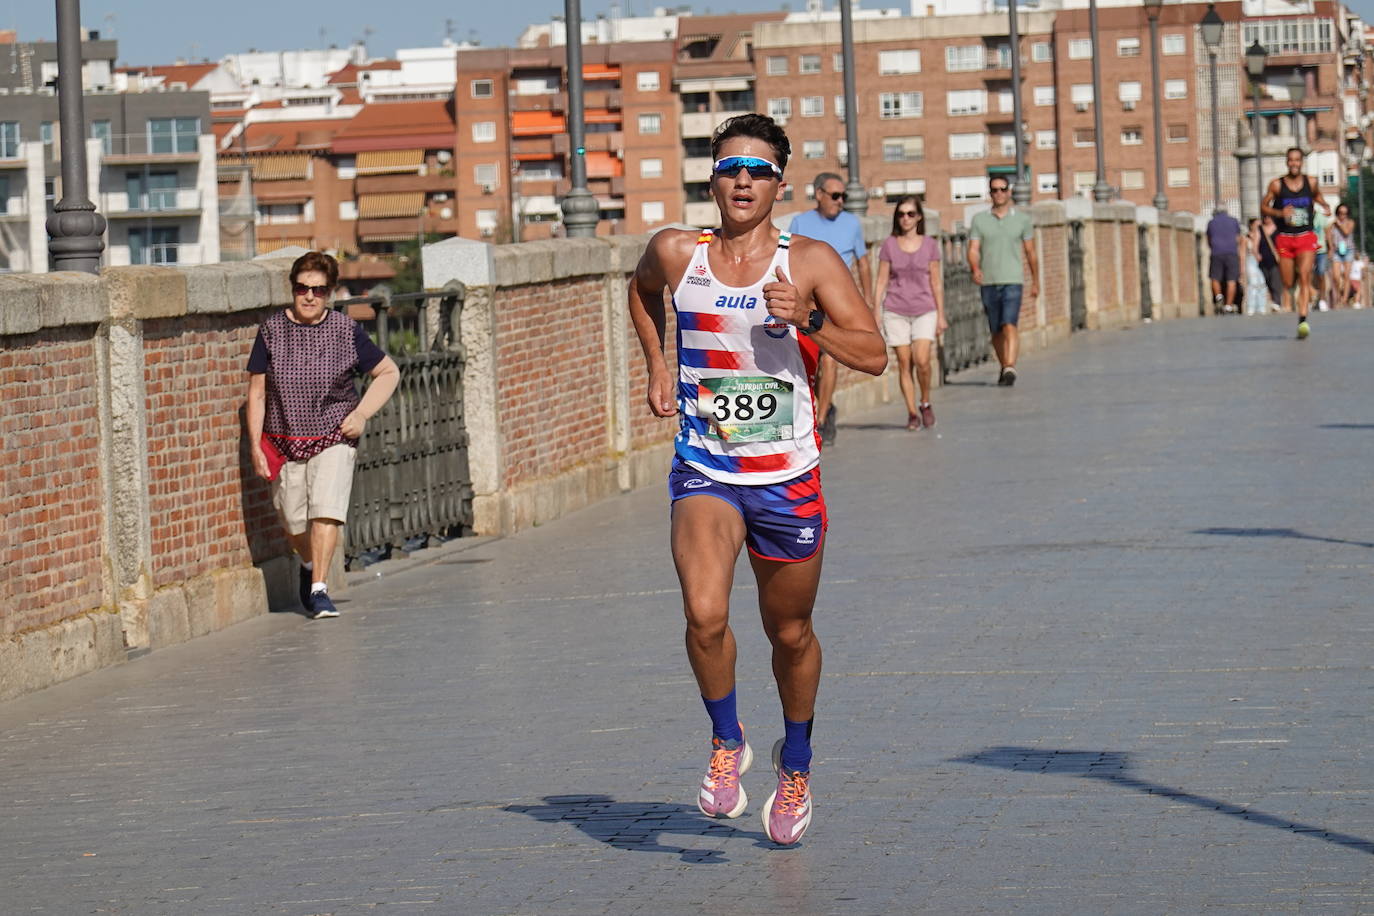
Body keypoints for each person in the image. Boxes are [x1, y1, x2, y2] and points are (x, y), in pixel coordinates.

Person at [627, 114, 886, 846]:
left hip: (787, 477)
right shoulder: (678, 252)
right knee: (705, 614)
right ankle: (725, 740)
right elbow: (640, 292)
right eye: (730, 166)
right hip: (706, 468)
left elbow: (872, 354)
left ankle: (796, 761)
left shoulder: (809, 261)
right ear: (711, 176)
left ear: (780, 183)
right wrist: (657, 365)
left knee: (790, 632)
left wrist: (807, 322)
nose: (744, 180)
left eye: (760, 170)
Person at [246, 251, 400, 619]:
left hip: (334, 434)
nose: (310, 296)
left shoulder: (346, 332)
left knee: (326, 511)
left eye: (318, 290)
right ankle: (309, 563)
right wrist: (255, 445)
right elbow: (256, 392)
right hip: (285, 441)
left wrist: (361, 414)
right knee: (292, 519)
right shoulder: (271, 331)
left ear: (329, 293)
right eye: (302, 289)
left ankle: (319, 589)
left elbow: (389, 372)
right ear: (293, 289)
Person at [788, 172, 873, 446]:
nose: (840, 201)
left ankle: (821, 419)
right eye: (836, 196)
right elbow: (789, 259)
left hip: (837, 303)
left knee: (830, 357)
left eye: (844, 196)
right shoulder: (800, 222)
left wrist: (868, 300)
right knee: (807, 361)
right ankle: (822, 405)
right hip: (808, 303)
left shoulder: (852, 223)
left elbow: (863, 262)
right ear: (820, 195)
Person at [874, 195, 945, 430]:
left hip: (925, 309)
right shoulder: (889, 245)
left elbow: (936, 282)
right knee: (904, 362)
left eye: (910, 214)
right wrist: (876, 311)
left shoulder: (930, 245)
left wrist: (941, 315)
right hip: (896, 310)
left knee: (922, 360)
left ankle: (925, 401)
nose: (905, 218)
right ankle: (912, 412)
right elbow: (881, 281)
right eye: (901, 214)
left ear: (919, 217)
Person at [968, 176, 1038, 385]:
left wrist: (1035, 281)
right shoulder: (979, 220)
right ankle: (1004, 365)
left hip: (1012, 279)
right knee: (996, 330)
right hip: (989, 281)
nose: (998, 193)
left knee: (1010, 324)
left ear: (1009, 192)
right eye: (994, 190)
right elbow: (973, 249)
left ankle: (1010, 366)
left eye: (1002, 189)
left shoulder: (1022, 220)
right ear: (990, 193)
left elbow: (1031, 252)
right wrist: (975, 268)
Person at [1262, 147, 1332, 338]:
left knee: (1304, 275)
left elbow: (1317, 196)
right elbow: (1264, 205)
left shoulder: (1311, 182)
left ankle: (1303, 321)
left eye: (1297, 160)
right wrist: (1279, 213)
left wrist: (1324, 205)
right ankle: (1298, 296)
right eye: (1291, 160)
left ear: (1302, 162)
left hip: (1305, 236)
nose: (1294, 163)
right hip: (1285, 237)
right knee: (1288, 281)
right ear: (1287, 162)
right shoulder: (1277, 185)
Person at [1205, 206, 1242, 314]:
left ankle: (1218, 296)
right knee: (1232, 280)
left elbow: (1209, 238)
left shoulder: (1211, 222)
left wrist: (1213, 247)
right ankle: (1228, 306)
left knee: (1214, 277)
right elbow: (1238, 238)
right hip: (1231, 252)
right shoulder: (1234, 221)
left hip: (1216, 252)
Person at [1327, 203, 1356, 307]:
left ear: (1348, 214)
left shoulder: (1350, 222)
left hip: (1348, 250)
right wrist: (1330, 247)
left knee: (1347, 276)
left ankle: (1344, 299)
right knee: (1336, 276)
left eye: (1345, 213)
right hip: (1336, 251)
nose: (1342, 215)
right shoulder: (1332, 224)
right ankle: (1338, 296)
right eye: (1340, 213)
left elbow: (1347, 232)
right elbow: (1328, 235)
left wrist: (1339, 225)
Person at [1243, 218, 1269, 317]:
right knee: (1252, 284)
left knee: (1262, 283)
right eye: (1256, 225)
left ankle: (1261, 307)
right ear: (1251, 225)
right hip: (1250, 261)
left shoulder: (1263, 236)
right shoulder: (1246, 237)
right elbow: (1242, 253)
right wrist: (1242, 267)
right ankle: (1251, 307)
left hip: (1261, 261)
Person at [1258, 215, 1285, 311]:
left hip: (1275, 259)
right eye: (1265, 217)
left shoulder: (1278, 228)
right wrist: (1256, 254)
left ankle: (1277, 301)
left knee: (1275, 279)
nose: (1266, 218)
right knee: (1267, 279)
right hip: (1263, 260)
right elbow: (1255, 242)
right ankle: (1273, 300)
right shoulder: (1260, 229)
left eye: (1269, 217)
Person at [1312, 204, 1330, 310]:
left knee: (1321, 273)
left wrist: (1331, 247)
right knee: (1307, 274)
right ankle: (1312, 297)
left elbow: (1327, 233)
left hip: (1321, 250)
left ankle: (1323, 299)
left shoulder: (1321, 217)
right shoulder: (1304, 217)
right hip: (1308, 251)